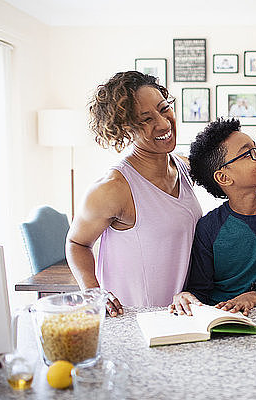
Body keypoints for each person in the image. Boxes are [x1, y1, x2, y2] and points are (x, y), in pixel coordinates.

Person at [65, 71, 202, 316]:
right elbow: (76, 243)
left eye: (163, 108)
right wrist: (93, 292)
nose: (163, 123)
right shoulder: (113, 188)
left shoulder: (183, 166)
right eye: (146, 119)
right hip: (133, 319)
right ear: (125, 128)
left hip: (182, 316)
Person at [170, 118, 256, 316]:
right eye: (249, 154)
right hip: (221, 317)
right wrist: (184, 296)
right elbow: (200, 291)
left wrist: (255, 297)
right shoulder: (208, 228)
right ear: (223, 177)